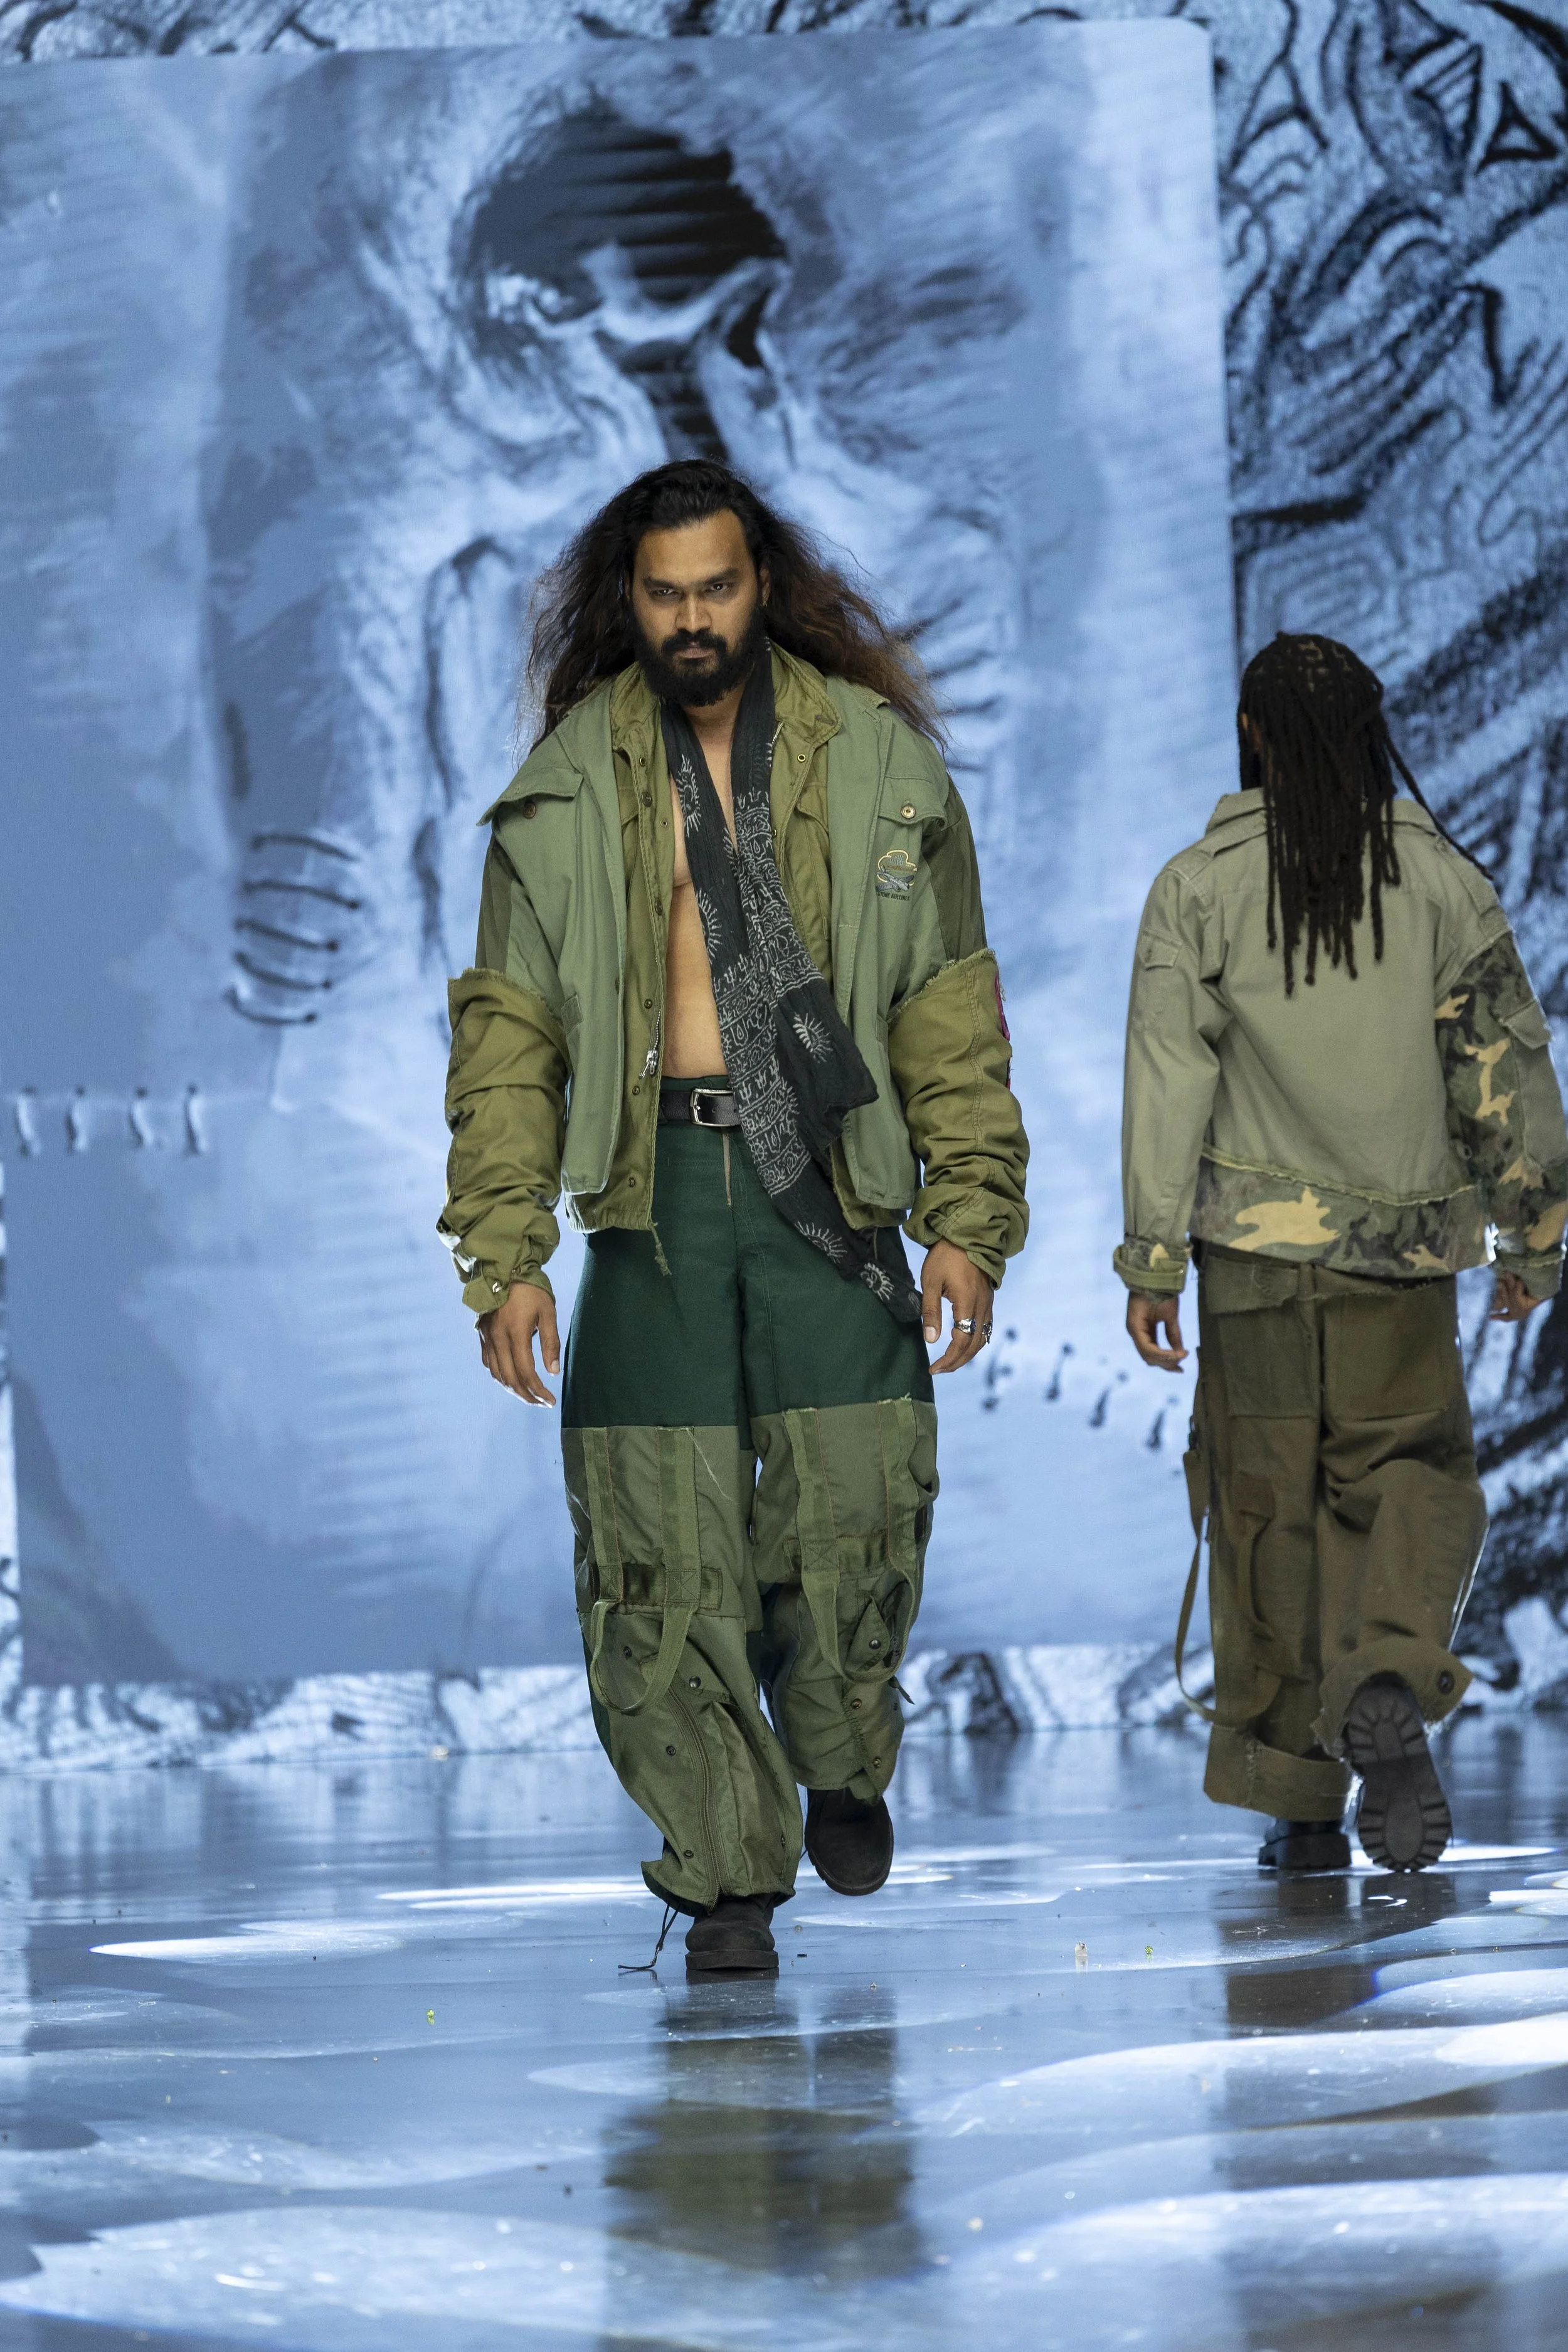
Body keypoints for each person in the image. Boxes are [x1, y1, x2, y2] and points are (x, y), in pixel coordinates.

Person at [438, 459, 1029, 1972]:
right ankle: (725, 1876)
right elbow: (507, 1041)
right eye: (664, 594)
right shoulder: (566, 789)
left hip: (828, 1185)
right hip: (649, 1203)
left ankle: (839, 1755)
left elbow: (945, 1013)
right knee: (656, 1551)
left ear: (762, 585)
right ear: (624, 600)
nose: (691, 619)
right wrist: (503, 1256)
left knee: (852, 1518)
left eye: (715, 588)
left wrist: (967, 1220)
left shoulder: (879, 766)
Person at [1117, 632, 1568, 1875]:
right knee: (1409, 1480)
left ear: (1250, 734)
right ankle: (1384, 1675)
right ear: (1375, 733)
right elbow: (1501, 1070)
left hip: (1251, 1267)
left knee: (1268, 1509)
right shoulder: (1443, 884)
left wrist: (1151, 1258)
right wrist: (1534, 1234)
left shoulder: (1195, 888)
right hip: (1400, 1261)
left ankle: (1303, 1804)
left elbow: (1166, 1082)